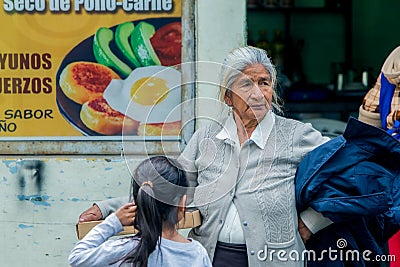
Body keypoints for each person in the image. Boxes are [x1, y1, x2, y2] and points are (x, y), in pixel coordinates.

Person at [79, 46, 333, 266]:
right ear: (227, 96)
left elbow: (351, 174)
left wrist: (312, 221)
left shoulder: (296, 136)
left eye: (264, 83)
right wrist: (105, 208)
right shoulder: (207, 138)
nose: (257, 93)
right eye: (246, 84)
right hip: (212, 257)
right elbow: (168, 187)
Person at [69, 156, 212, 267]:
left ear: (137, 203)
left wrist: (114, 222)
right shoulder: (196, 253)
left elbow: (77, 257)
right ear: (182, 204)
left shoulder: (126, 250)